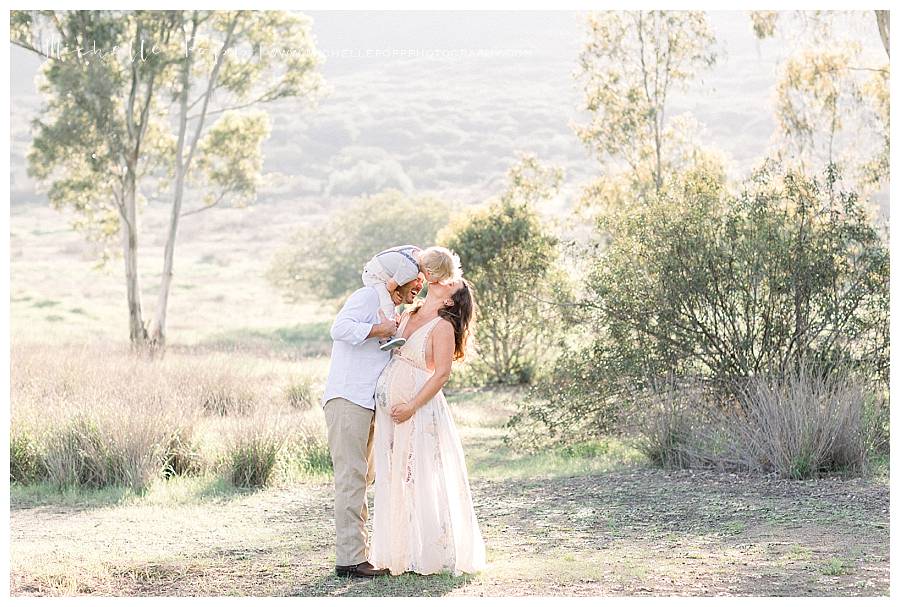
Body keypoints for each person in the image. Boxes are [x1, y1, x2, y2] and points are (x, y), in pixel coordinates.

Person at [370, 277, 486, 576]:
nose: (443, 280)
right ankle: (398, 550)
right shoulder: (408, 313)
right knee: (395, 474)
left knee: (417, 474)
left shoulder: (442, 326)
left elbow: (442, 374)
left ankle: (425, 553)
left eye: (451, 283)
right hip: (389, 414)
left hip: (418, 410)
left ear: (450, 300)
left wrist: (411, 406)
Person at [322, 274, 423, 578]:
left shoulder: (390, 308)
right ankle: (350, 560)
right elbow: (338, 329)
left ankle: (357, 554)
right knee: (351, 478)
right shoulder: (366, 297)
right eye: (415, 280)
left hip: (367, 403)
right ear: (399, 279)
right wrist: (378, 329)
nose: (419, 287)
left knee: (364, 478)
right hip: (348, 398)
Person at [361, 245, 462, 351]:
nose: (433, 283)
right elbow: (390, 285)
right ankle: (385, 338)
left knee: (390, 305)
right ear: (429, 273)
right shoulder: (412, 270)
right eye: (436, 280)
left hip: (376, 268)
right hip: (375, 276)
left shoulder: (416, 252)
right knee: (388, 304)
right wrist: (392, 293)